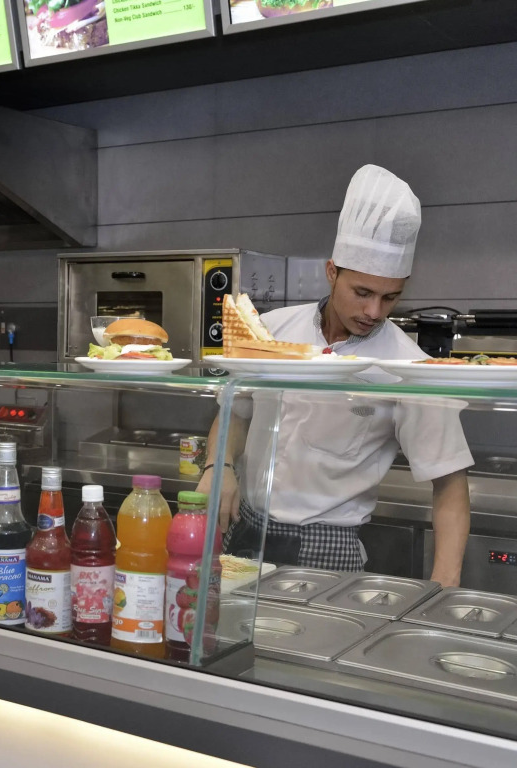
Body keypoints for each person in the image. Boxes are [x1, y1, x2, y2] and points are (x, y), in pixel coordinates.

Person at [199, 165, 472, 586]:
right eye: (362, 292)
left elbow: (450, 483)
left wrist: (444, 589)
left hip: (329, 547)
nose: (374, 312)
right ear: (332, 272)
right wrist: (220, 466)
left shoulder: (409, 367)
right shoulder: (273, 329)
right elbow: (235, 410)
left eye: (390, 297)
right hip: (245, 529)